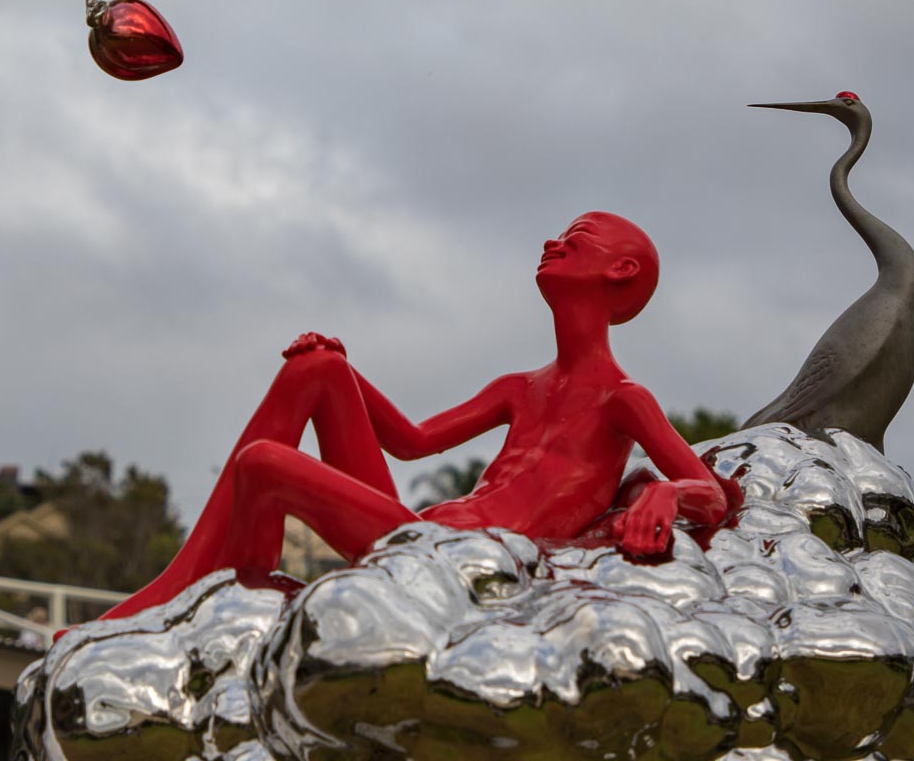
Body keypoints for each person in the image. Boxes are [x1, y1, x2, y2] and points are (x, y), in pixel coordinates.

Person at [99, 212, 735, 622]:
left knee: (265, 464)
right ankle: (221, 584)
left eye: (577, 239)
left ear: (620, 271)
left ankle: (214, 590)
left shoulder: (624, 399)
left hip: (453, 567)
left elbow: (711, 495)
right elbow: (410, 441)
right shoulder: (520, 387)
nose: (552, 240)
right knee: (313, 370)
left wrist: (664, 494)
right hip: (415, 536)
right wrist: (342, 367)